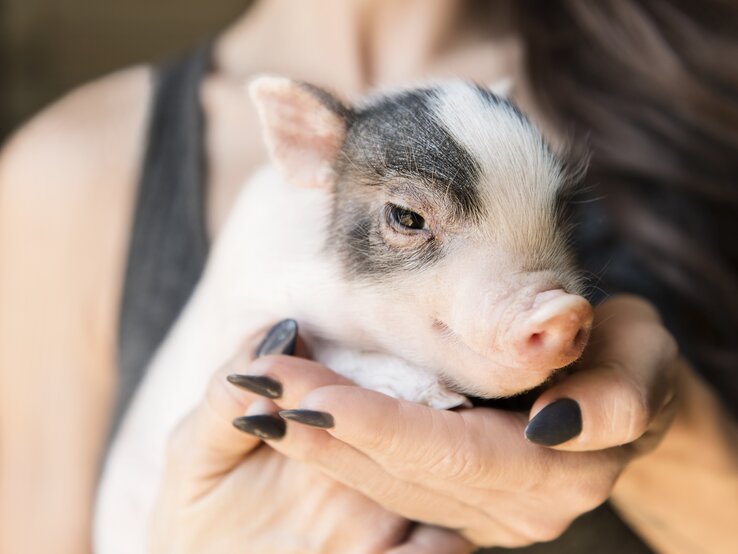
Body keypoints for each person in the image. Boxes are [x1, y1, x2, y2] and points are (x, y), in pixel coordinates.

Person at [1, 0, 736, 552]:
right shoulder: (68, 173)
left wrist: (667, 438)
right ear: (303, 145)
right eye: (412, 220)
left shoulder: (701, 89)